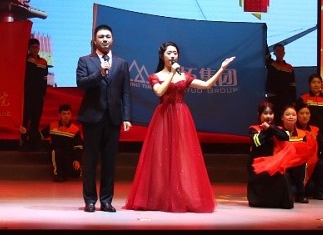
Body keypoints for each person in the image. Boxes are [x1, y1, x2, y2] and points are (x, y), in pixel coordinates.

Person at [123, 42, 234, 213]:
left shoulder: (184, 76)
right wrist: (172, 74)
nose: (172, 55)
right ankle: (159, 198)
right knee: (161, 156)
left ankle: (180, 196)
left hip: (181, 116)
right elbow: (159, 92)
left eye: (175, 53)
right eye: (169, 53)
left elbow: (206, 85)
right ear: (162, 56)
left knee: (181, 156)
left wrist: (222, 68)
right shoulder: (155, 76)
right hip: (163, 117)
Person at [76, 24, 132, 213]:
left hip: (113, 118)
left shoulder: (121, 63)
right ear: (94, 40)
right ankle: (90, 200)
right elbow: (81, 84)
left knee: (109, 162)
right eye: (101, 37)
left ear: (112, 40)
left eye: (108, 36)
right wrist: (99, 73)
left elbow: (126, 92)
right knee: (90, 161)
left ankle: (107, 200)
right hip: (92, 117)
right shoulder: (85, 61)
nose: (105, 39)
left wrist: (127, 116)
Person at [246, 100, 293, 209]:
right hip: (257, 164)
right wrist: (266, 130)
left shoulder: (278, 129)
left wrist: (271, 128)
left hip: (274, 163)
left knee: (283, 176)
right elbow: (257, 141)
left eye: (271, 113)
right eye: (265, 113)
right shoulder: (253, 129)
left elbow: (286, 137)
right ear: (259, 115)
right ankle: (259, 201)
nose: (268, 116)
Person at [300, 73, 323, 200]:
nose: (316, 85)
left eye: (318, 82)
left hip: (322, 135)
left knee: (322, 162)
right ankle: (303, 187)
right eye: (313, 82)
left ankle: (320, 189)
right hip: (307, 134)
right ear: (309, 84)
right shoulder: (303, 99)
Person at [20, 38, 49, 152]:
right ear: (28, 48)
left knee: (35, 120)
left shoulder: (43, 62)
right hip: (27, 95)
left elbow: (45, 79)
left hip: (38, 96)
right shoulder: (25, 60)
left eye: (37, 47)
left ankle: (33, 142)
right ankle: (23, 141)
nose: (35, 49)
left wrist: (43, 94)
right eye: (33, 47)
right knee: (25, 119)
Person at [42, 104, 83, 182]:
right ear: (59, 115)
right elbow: (40, 135)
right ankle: (57, 174)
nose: (66, 116)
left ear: (71, 115)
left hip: (68, 154)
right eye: (64, 114)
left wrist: (77, 160)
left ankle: (64, 171)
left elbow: (78, 146)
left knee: (76, 174)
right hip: (56, 153)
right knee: (57, 151)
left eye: (68, 114)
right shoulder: (52, 126)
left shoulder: (75, 129)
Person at [266, 44, 297, 109]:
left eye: (281, 51)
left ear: (284, 53)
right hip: (273, 98)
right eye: (278, 51)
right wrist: (264, 41)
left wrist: (294, 100)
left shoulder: (289, 67)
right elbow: (266, 54)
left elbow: (292, 85)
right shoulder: (271, 64)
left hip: (286, 99)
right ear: (274, 53)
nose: (280, 53)